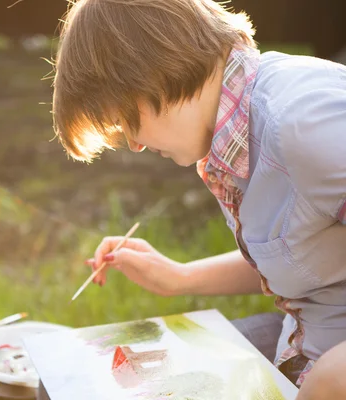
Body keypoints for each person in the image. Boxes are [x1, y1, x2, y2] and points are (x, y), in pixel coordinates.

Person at [49, 0, 346, 398]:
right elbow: (304, 254)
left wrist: (332, 378)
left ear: (153, 72)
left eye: (126, 120)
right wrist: (178, 277)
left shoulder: (300, 122)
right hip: (301, 344)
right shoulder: (234, 137)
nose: (134, 145)